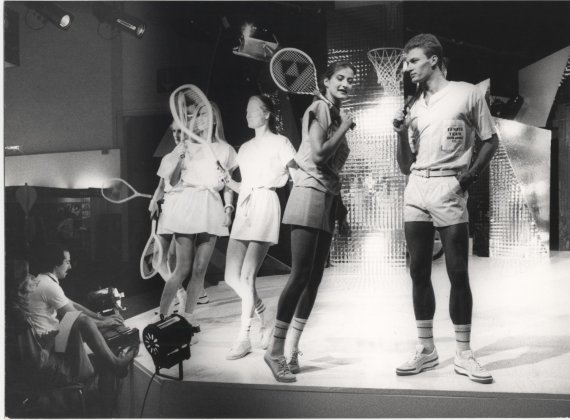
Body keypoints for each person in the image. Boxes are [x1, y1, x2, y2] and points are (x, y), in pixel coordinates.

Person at [393, 33, 498, 384]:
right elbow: (405, 165)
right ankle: (426, 349)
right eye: (406, 62)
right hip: (416, 187)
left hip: (449, 186)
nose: (407, 68)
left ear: (434, 60)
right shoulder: (414, 106)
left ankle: (464, 353)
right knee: (418, 271)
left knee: (457, 271)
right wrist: (400, 133)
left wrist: (467, 180)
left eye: (413, 61)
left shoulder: (467, 93)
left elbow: (490, 140)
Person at [263, 61, 356, 382]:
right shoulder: (320, 108)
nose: (346, 84)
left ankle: (291, 349)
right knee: (300, 275)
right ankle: (274, 350)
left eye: (351, 80)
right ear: (326, 81)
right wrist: (345, 127)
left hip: (326, 199)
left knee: (314, 278)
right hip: (308, 194)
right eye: (340, 78)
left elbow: (331, 170)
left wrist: (341, 212)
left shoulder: (333, 112)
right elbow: (318, 156)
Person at [10, 247, 138, 415]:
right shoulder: (45, 288)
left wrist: (100, 317)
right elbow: (74, 314)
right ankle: (115, 367)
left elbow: (72, 304)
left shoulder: (43, 281)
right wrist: (104, 322)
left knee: (84, 323)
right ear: (56, 264)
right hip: (48, 348)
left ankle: (106, 397)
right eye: (67, 262)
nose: (70, 266)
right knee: (85, 325)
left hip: (47, 340)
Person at [149, 101, 237, 332]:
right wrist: (179, 158)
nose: (200, 120)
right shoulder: (183, 147)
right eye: (196, 115)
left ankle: (187, 316)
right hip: (187, 205)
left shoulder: (226, 150)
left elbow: (228, 184)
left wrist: (228, 209)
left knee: (200, 269)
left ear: (215, 119)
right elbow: (172, 181)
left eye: (205, 115)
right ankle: (162, 316)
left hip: (211, 206)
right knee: (182, 268)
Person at [223, 95, 296, 360]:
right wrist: (228, 183)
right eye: (246, 110)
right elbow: (245, 185)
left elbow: (296, 176)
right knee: (231, 276)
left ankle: (244, 337)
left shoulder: (281, 143)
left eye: (253, 110)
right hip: (245, 204)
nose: (247, 114)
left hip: (266, 203)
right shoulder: (243, 148)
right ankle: (265, 314)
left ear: (267, 114)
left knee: (246, 277)